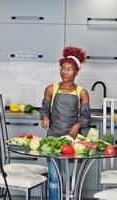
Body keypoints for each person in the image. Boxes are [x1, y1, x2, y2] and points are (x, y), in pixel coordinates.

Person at [39, 46, 91, 200]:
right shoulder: (51, 89)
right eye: (62, 68)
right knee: (54, 178)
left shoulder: (82, 92)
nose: (64, 72)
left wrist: (78, 124)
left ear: (76, 72)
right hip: (53, 140)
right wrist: (45, 118)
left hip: (72, 141)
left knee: (69, 178)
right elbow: (44, 110)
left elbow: (86, 117)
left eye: (68, 69)